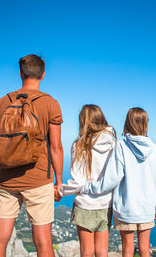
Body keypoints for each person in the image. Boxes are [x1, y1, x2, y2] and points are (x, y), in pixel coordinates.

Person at [0, 54, 63, 257]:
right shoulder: (51, 104)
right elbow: (56, 147)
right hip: (38, 180)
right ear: (43, 75)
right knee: (43, 240)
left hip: (5, 179)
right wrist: (58, 182)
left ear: (20, 73)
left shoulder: (2, 103)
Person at [81, 107, 156, 257]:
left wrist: (89, 187)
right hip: (147, 209)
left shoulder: (121, 146)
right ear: (146, 124)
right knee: (145, 250)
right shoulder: (153, 148)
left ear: (128, 123)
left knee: (127, 249)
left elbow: (112, 178)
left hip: (126, 209)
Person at [58, 104, 116, 257]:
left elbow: (78, 182)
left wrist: (60, 191)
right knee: (102, 251)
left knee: (87, 250)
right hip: (106, 203)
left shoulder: (79, 145)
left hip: (85, 204)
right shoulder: (113, 143)